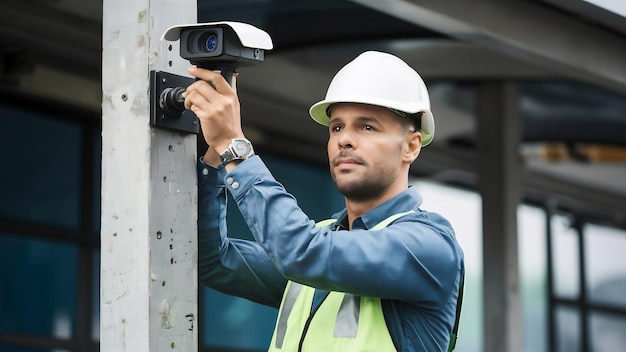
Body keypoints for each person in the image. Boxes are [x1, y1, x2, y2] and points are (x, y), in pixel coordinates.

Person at [184, 51, 465, 352]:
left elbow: (302, 251)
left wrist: (234, 146)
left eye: (367, 127)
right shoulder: (321, 242)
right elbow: (212, 259)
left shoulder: (428, 245)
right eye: (337, 127)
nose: (345, 139)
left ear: (410, 146)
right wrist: (216, 152)